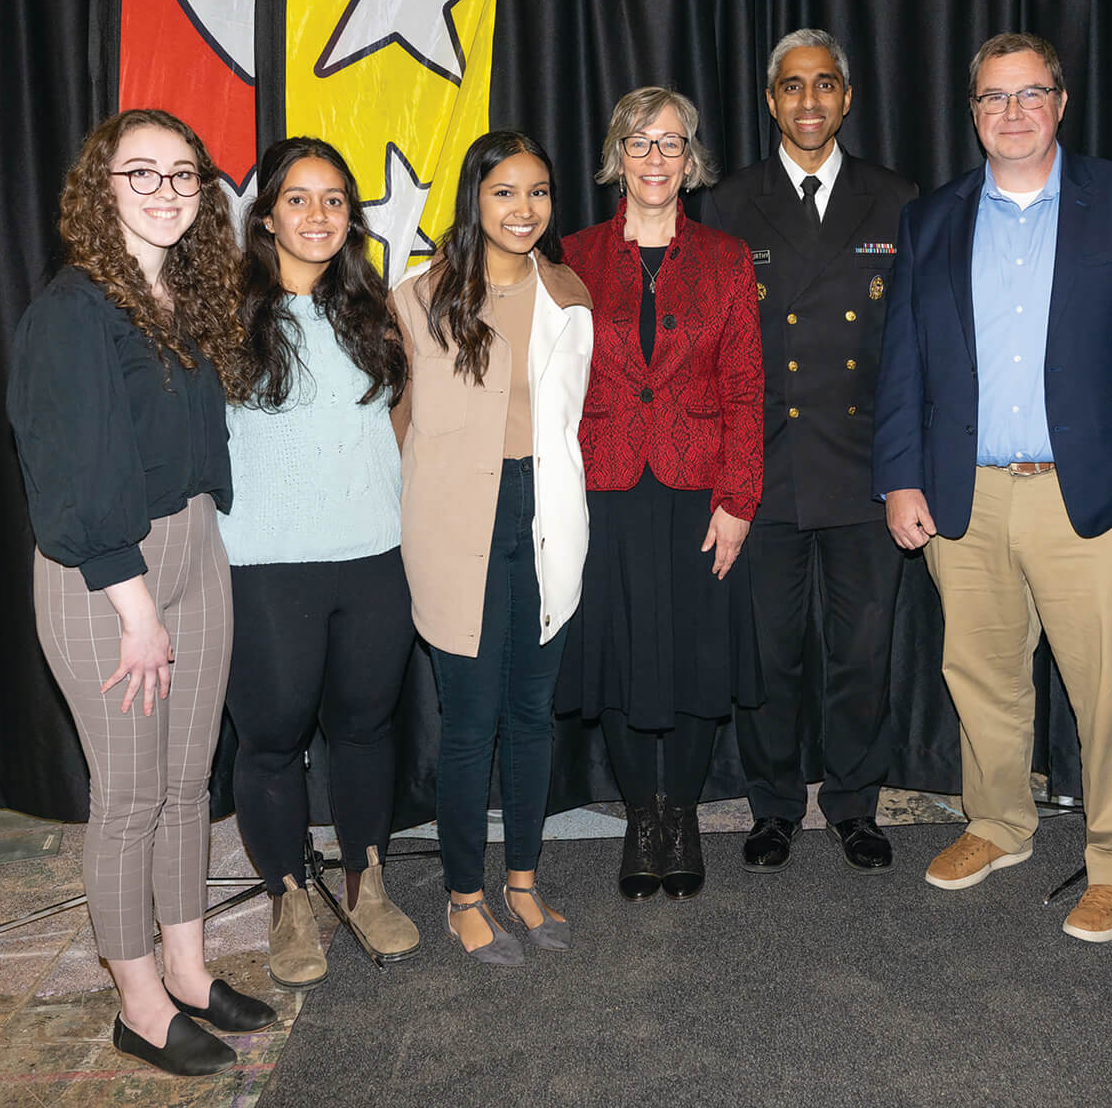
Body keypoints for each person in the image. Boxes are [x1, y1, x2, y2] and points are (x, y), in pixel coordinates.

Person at [871, 32, 1112, 942]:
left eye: (1030, 94)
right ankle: (999, 823)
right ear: (972, 112)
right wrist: (898, 478)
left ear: (1061, 102)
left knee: (1110, 687)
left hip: (1090, 497)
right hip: (964, 493)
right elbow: (903, 362)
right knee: (980, 675)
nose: (1013, 113)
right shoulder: (933, 218)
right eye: (994, 98)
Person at [7, 108, 277, 1075]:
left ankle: (192, 973)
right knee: (127, 798)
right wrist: (135, 610)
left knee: (185, 785)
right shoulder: (72, 313)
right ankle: (138, 1003)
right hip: (107, 572)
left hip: (196, 545)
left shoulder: (183, 300)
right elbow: (72, 479)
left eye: (184, 175)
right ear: (101, 188)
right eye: (142, 173)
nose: (166, 191)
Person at [700, 29, 917, 875]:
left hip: (866, 469)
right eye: (792, 87)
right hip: (765, 468)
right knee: (770, 654)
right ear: (770, 100)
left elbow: (914, 345)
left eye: (825, 85)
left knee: (862, 654)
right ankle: (775, 806)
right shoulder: (726, 203)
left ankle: (855, 805)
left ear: (848, 98)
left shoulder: (897, 198)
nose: (809, 102)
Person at [219, 137, 421, 987]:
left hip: (374, 555)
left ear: (352, 216)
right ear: (265, 216)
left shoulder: (375, 309)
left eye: (334, 200)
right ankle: (289, 897)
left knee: (367, 729)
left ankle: (366, 879)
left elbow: (400, 422)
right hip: (267, 565)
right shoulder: (224, 314)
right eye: (297, 199)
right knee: (269, 739)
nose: (317, 215)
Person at [392, 131, 594, 965]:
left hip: (543, 516)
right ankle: (463, 896)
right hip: (455, 526)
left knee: (533, 717)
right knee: (471, 725)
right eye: (505, 191)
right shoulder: (417, 299)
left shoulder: (570, 294)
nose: (524, 209)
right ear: (475, 198)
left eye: (539, 191)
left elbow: (571, 421)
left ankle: (523, 880)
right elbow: (397, 424)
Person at [560, 87, 764, 903]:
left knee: (694, 654)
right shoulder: (570, 256)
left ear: (691, 159)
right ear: (617, 155)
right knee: (613, 654)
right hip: (601, 485)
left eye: (670, 144)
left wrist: (739, 499)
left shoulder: (725, 257)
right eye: (639, 144)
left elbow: (747, 389)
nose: (654, 160)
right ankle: (639, 817)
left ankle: (680, 812)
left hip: (698, 490)